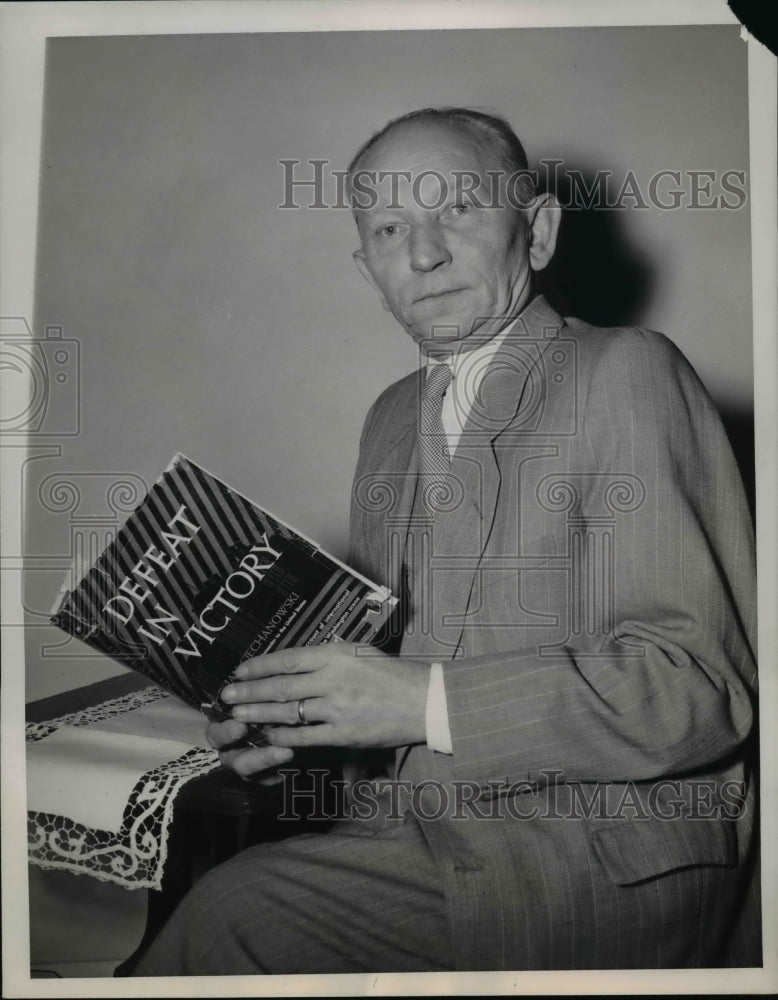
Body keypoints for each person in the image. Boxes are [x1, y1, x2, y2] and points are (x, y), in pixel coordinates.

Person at [134, 107, 760, 974]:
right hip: (417, 839)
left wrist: (424, 704)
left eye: (457, 209)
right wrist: (293, 731)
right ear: (369, 269)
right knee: (218, 916)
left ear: (536, 231)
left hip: (592, 862)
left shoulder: (628, 370)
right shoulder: (390, 421)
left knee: (221, 927)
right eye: (390, 228)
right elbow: (390, 698)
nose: (422, 253)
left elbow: (697, 692)